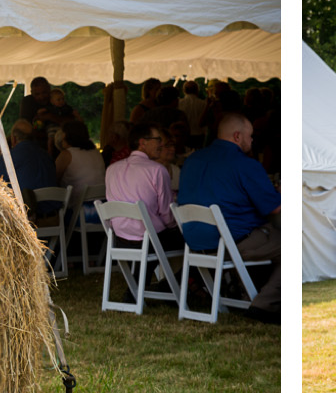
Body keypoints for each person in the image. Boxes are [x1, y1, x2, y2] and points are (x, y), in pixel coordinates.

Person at [178, 113, 280, 323]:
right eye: (250, 136)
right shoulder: (245, 164)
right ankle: (264, 305)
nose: (252, 140)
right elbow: (274, 207)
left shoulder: (192, 160)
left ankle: (245, 291)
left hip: (197, 242)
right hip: (233, 242)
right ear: (237, 136)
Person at [106, 122, 183, 276]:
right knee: (192, 239)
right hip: (149, 241)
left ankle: (136, 289)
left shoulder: (111, 169)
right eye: (157, 140)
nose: (161, 145)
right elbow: (167, 216)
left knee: (157, 236)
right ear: (143, 142)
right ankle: (176, 286)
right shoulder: (156, 170)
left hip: (119, 239)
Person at [0, 120, 59, 217]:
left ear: (14, 139)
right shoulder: (47, 155)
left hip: (25, 218)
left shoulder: (10, 156)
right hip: (51, 215)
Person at [54, 120, 104, 219]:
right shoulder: (96, 153)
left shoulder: (67, 154)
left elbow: (54, 179)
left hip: (80, 213)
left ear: (66, 135)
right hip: (102, 211)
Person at [179, 80, 208, 149]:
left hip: (183, 135)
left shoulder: (179, 103)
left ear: (184, 90)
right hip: (199, 135)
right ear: (197, 90)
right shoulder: (203, 104)